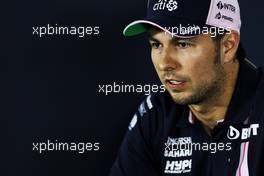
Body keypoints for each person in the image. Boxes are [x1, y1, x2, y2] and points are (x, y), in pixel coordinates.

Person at [110, 0, 264, 175]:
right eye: (157, 45)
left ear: (227, 46)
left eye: (182, 44)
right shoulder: (157, 113)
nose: (165, 64)